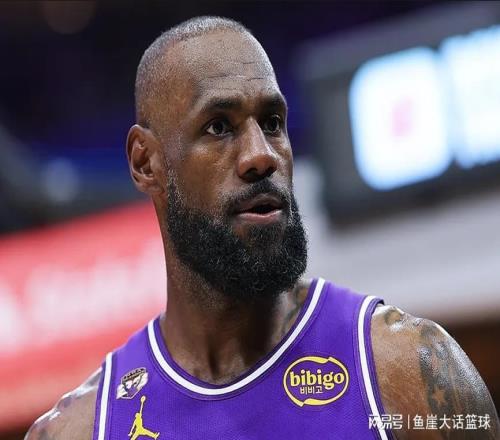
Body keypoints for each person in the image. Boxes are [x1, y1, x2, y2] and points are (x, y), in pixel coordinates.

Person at [26, 16, 499, 440]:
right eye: (219, 127)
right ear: (145, 162)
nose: (261, 155)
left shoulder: (409, 371)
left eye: (272, 122)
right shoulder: (80, 430)